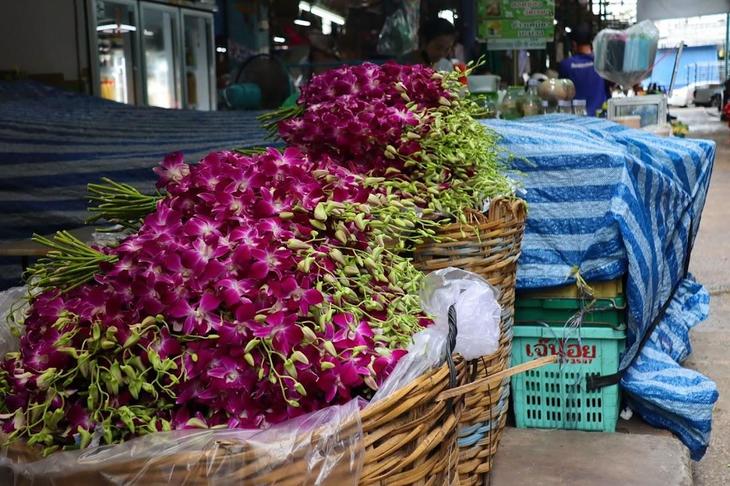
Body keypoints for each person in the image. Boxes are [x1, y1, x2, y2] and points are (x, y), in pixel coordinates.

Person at [558, 23, 609, 116]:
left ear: (573, 44)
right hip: (601, 118)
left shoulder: (566, 65)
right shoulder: (601, 62)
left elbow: (561, 94)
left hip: (576, 121)